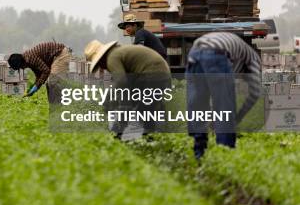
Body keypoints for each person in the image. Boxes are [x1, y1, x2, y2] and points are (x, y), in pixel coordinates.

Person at [186, 32, 261, 160]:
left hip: (194, 52)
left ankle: (199, 152)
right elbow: (255, 92)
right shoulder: (254, 59)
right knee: (224, 108)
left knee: (197, 104)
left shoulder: (237, 55)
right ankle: (225, 154)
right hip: (216, 52)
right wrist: (238, 117)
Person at [85, 40, 171, 139]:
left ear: (101, 59)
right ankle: (150, 136)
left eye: (99, 64)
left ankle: (150, 137)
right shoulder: (117, 52)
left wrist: (108, 99)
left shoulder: (112, 57)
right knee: (140, 106)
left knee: (143, 109)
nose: (102, 68)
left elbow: (121, 81)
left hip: (153, 74)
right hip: (160, 73)